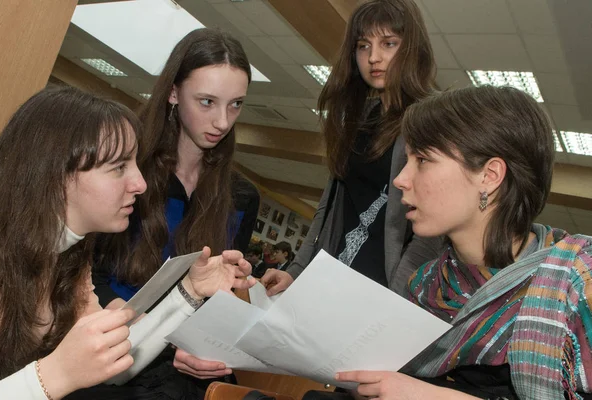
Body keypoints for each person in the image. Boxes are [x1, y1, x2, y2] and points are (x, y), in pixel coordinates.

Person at [329, 86, 592, 400]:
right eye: (406, 160)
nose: (400, 179)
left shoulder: (579, 281)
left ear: (489, 176)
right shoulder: (424, 286)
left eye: (422, 159)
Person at [0, 86, 254, 399]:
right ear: (55, 174)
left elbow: (114, 367)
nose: (140, 183)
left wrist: (189, 292)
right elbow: (62, 374)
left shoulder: (69, 258)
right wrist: (55, 374)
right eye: (118, 167)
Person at [91, 28, 259, 397]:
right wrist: (142, 327)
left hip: (184, 363)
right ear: (172, 93)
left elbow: (217, 304)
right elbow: (89, 277)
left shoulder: (242, 197)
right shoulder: (129, 175)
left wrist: (235, 297)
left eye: (235, 104)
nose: (223, 122)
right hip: (111, 343)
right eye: (207, 102)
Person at [262, 0, 442, 298]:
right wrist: (296, 271)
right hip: (329, 277)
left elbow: (430, 231)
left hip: (382, 289)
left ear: (411, 47)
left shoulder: (432, 121)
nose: (374, 57)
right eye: (363, 46)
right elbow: (329, 206)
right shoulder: (356, 118)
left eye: (389, 43)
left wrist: (395, 300)